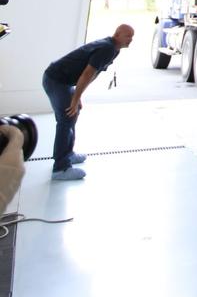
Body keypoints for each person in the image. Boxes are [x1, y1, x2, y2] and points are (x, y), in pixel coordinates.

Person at [42, 25, 135, 181]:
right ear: (117, 34)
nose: (131, 40)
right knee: (66, 119)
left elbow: (93, 74)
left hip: (62, 81)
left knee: (73, 114)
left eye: (132, 37)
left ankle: (68, 154)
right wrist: (75, 97)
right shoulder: (108, 48)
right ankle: (60, 168)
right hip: (55, 79)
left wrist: (78, 97)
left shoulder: (114, 49)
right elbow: (87, 73)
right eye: (128, 36)